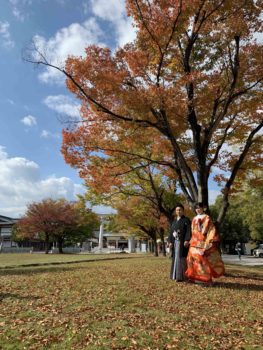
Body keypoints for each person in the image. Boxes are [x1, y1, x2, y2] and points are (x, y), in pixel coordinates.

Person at [185, 202, 225, 285]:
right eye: (196, 208)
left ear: (203, 208)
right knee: (191, 258)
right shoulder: (194, 218)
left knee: (202, 259)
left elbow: (211, 229)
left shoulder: (207, 217)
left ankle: (205, 279)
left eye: (199, 208)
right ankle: (194, 278)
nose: (198, 209)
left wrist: (208, 241)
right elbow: (193, 231)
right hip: (194, 241)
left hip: (202, 240)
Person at [168, 204, 191, 281]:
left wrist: (187, 240)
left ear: (183, 211)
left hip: (183, 243)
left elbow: (188, 230)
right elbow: (171, 232)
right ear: (175, 211)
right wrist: (170, 241)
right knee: (175, 258)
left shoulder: (186, 220)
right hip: (175, 243)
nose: (178, 211)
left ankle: (184, 276)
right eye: (177, 210)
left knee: (182, 259)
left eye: (180, 210)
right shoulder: (174, 222)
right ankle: (175, 276)